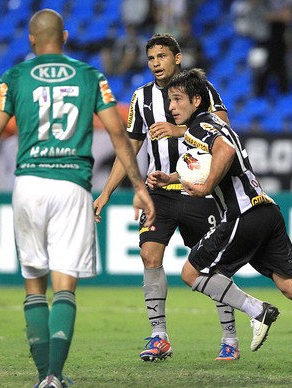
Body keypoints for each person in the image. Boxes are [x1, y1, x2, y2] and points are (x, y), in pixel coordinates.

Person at [0, 9, 155, 388]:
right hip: (72, 184)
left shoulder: (14, 77)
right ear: (65, 37)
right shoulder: (90, 76)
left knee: (33, 284)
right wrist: (137, 186)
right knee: (64, 286)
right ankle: (54, 377)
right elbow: (119, 134)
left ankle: (41, 378)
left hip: (29, 183)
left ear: (32, 40)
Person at [148, 68, 292, 377]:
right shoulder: (214, 123)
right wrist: (171, 178)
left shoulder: (197, 128)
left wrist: (203, 187)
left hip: (243, 214)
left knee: (191, 272)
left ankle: (258, 311)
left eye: (177, 99)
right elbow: (208, 162)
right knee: (291, 285)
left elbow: (224, 153)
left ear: (196, 100)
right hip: (266, 210)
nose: (171, 107)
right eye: (169, 100)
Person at [93, 33, 240, 362]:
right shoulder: (141, 98)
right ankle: (159, 336)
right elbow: (129, 149)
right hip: (158, 193)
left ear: (177, 58)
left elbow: (224, 131)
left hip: (197, 190)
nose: (156, 63)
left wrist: (178, 131)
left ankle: (230, 337)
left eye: (162, 56)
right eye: (151, 58)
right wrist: (105, 192)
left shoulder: (202, 90)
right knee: (149, 255)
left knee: (211, 265)